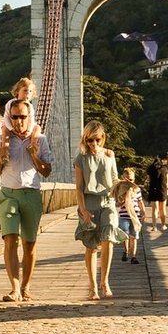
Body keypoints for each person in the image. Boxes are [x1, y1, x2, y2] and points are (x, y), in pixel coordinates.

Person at [0, 97, 52, 302]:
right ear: (9, 117)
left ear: (29, 116)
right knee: (10, 240)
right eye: (14, 117)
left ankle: (26, 286)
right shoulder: (0, 140)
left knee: (29, 244)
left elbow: (47, 171)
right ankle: (14, 288)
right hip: (8, 194)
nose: (19, 121)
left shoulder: (40, 139)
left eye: (23, 116)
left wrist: (34, 156)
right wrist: (0, 158)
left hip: (31, 193)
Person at [73, 121, 121, 299]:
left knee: (108, 239)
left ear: (103, 138)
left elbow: (115, 179)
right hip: (89, 204)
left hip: (107, 202)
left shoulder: (110, 155)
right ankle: (93, 287)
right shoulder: (81, 159)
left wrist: (122, 187)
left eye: (97, 140)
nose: (93, 144)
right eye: (89, 140)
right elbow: (78, 187)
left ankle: (105, 282)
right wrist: (83, 210)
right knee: (92, 247)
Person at [113, 168, 142, 264]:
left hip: (135, 215)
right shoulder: (120, 189)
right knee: (125, 235)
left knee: (133, 236)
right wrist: (121, 201)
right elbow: (116, 203)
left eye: (132, 180)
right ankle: (125, 251)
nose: (130, 182)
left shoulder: (137, 189)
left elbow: (139, 201)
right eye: (127, 179)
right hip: (124, 215)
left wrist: (144, 212)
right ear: (123, 178)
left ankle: (133, 256)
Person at [144, 158, 168, 231]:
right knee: (162, 209)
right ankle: (163, 225)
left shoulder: (150, 169)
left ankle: (154, 227)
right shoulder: (165, 169)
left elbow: (148, 180)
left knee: (154, 209)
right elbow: (167, 180)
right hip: (162, 190)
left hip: (153, 189)